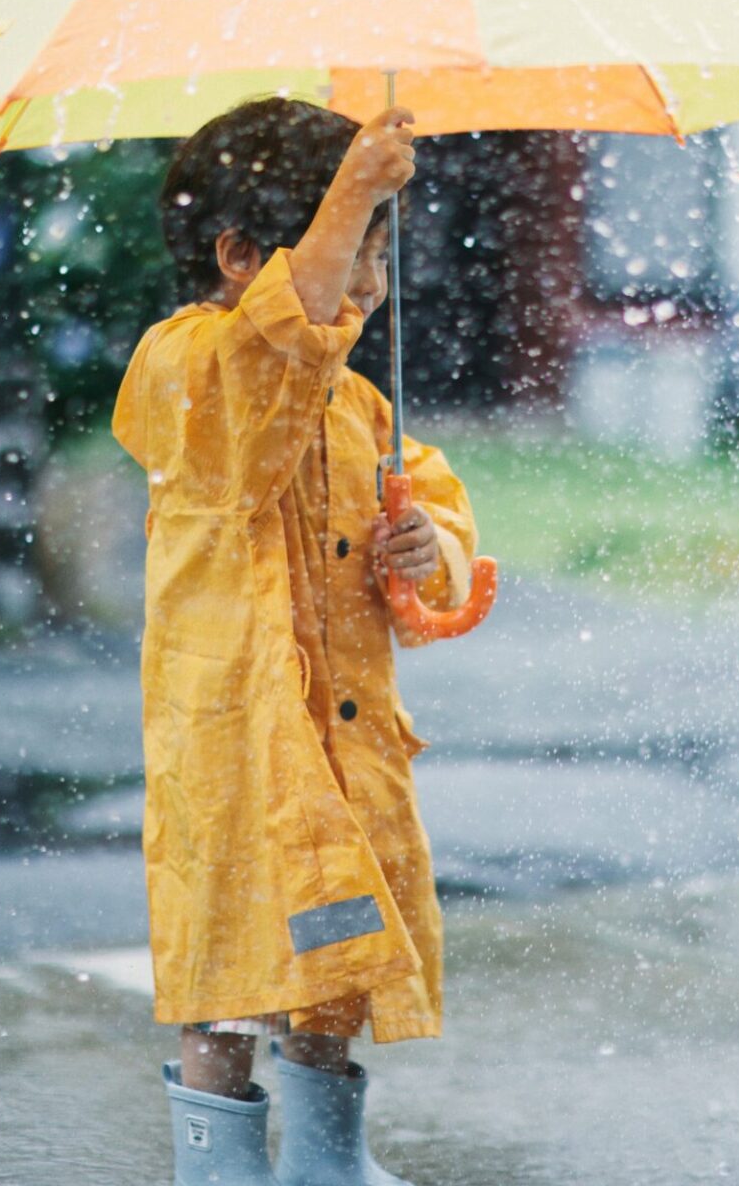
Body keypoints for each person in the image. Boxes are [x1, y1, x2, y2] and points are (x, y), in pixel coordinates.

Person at [112, 98, 477, 1186]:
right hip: (232, 740)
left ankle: (326, 1155)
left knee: (333, 953)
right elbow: (274, 353)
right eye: (353, 250)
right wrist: (357, 183)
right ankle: (218, 1164)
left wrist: (430, 545)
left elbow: (438, 514)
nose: (368, 284)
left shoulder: (359, 402)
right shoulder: (184, 365)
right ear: (237, 254)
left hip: (337, 741)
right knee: (224, 957)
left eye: (378, 255)